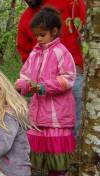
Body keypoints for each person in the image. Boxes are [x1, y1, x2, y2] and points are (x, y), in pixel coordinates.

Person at [15, 7, 76, 176]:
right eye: (36, 35)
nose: (38, 39)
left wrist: (43, 87)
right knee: (33, 150)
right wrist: (23, 85)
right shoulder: (34, 54)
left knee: (55, 153)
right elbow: (24, 75)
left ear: (55, 31)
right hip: (37, 113)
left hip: (57, 113)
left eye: (42, 35)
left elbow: (68, 78)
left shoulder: (61, 52)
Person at [17, 0, 86, 138]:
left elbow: (87, 26)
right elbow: (25, 52)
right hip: (43, 85)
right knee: (45, 127)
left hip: (74, 75)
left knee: (76, 125)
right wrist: (30, 80)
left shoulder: (68, 2)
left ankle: (72, 157)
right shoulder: (25, 19)